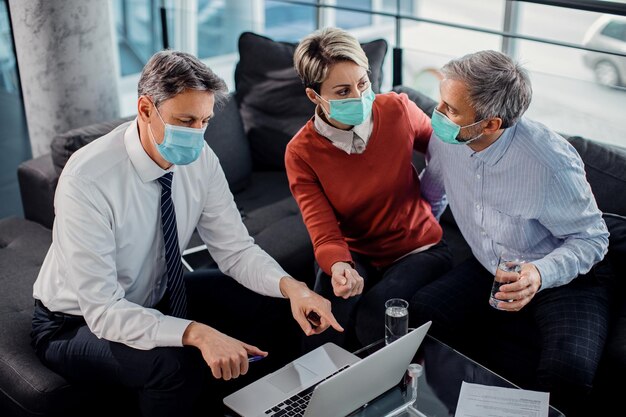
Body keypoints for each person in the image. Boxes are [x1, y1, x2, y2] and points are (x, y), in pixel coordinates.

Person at [30, 50, 342, 417]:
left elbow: (236, 250)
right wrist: (197, 332)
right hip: (74, 322)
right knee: (173, 367)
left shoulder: (200, 158)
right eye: (185, 120)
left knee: (274, 304)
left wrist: (294, 289)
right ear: (146, 109)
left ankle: (269, 410)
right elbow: (104, 311)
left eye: (205, 121)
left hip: (155, 293)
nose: (197, 134)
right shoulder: (87, 180)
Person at [412, 50, 611, 415]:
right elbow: (433, 193)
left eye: (450, 109)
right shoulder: (447, 138)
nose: (437, 114)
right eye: (440, 101)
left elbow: (593, 238)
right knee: (424, 312)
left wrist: (539, 273)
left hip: (562, 275)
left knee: (568, 372)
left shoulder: (550, 163)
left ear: (490, 124)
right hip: (491, 263)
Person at [285, 27, 452, 350]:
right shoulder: (301, 152)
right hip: (356, 253)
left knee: (377, 316)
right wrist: (339, 267)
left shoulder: (397, 110)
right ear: (314, 96)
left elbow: (446, 148)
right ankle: (314, 394)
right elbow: (322, 229)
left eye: (363, 83)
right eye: (343, 91)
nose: (359, 96)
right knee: (324, 317)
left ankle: (382, 395)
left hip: (419, 249)